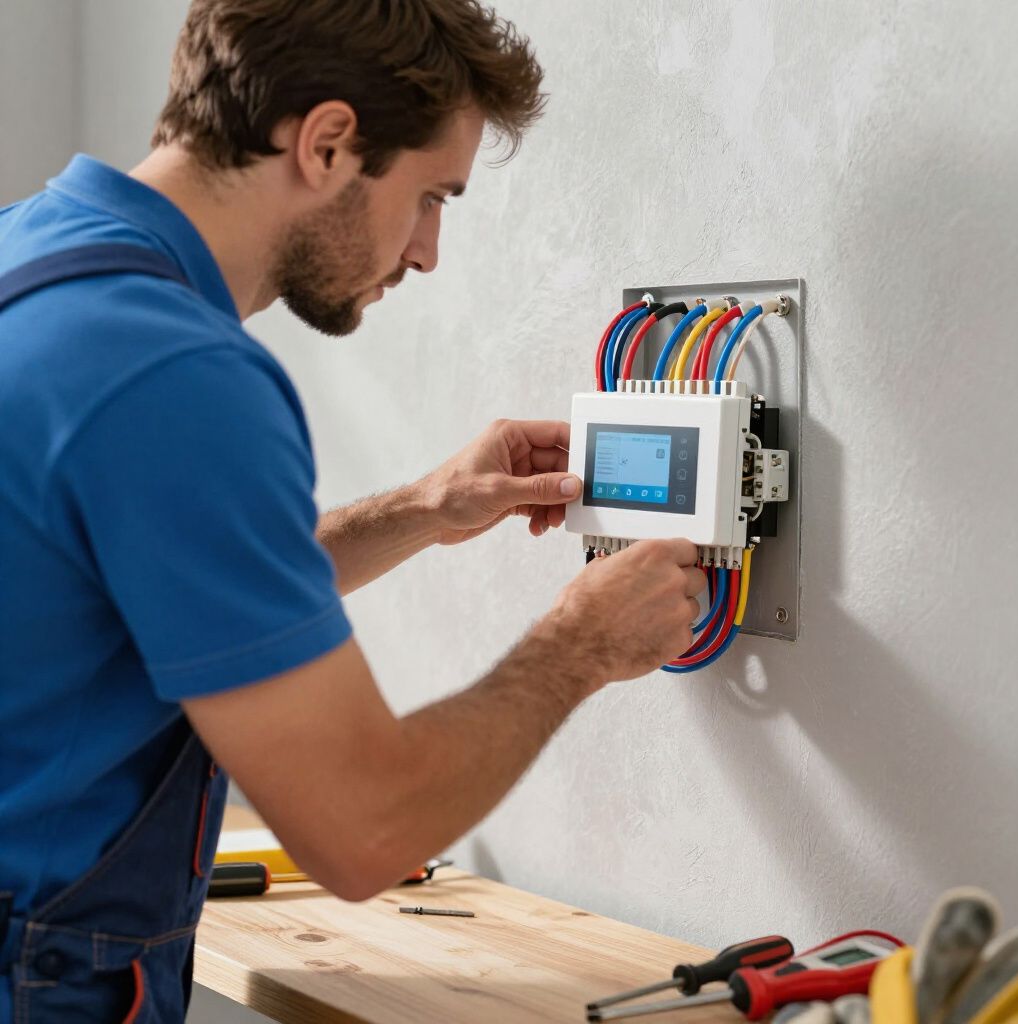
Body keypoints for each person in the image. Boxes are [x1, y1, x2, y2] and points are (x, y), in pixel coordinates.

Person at [0, 1, 706, 1019]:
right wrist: (581, 641)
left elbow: (147, 590)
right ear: (328, 143)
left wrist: (422, 507)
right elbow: (363, 828)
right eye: (430, 196)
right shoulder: (179, 376)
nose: (426, 253)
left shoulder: (33, 254)